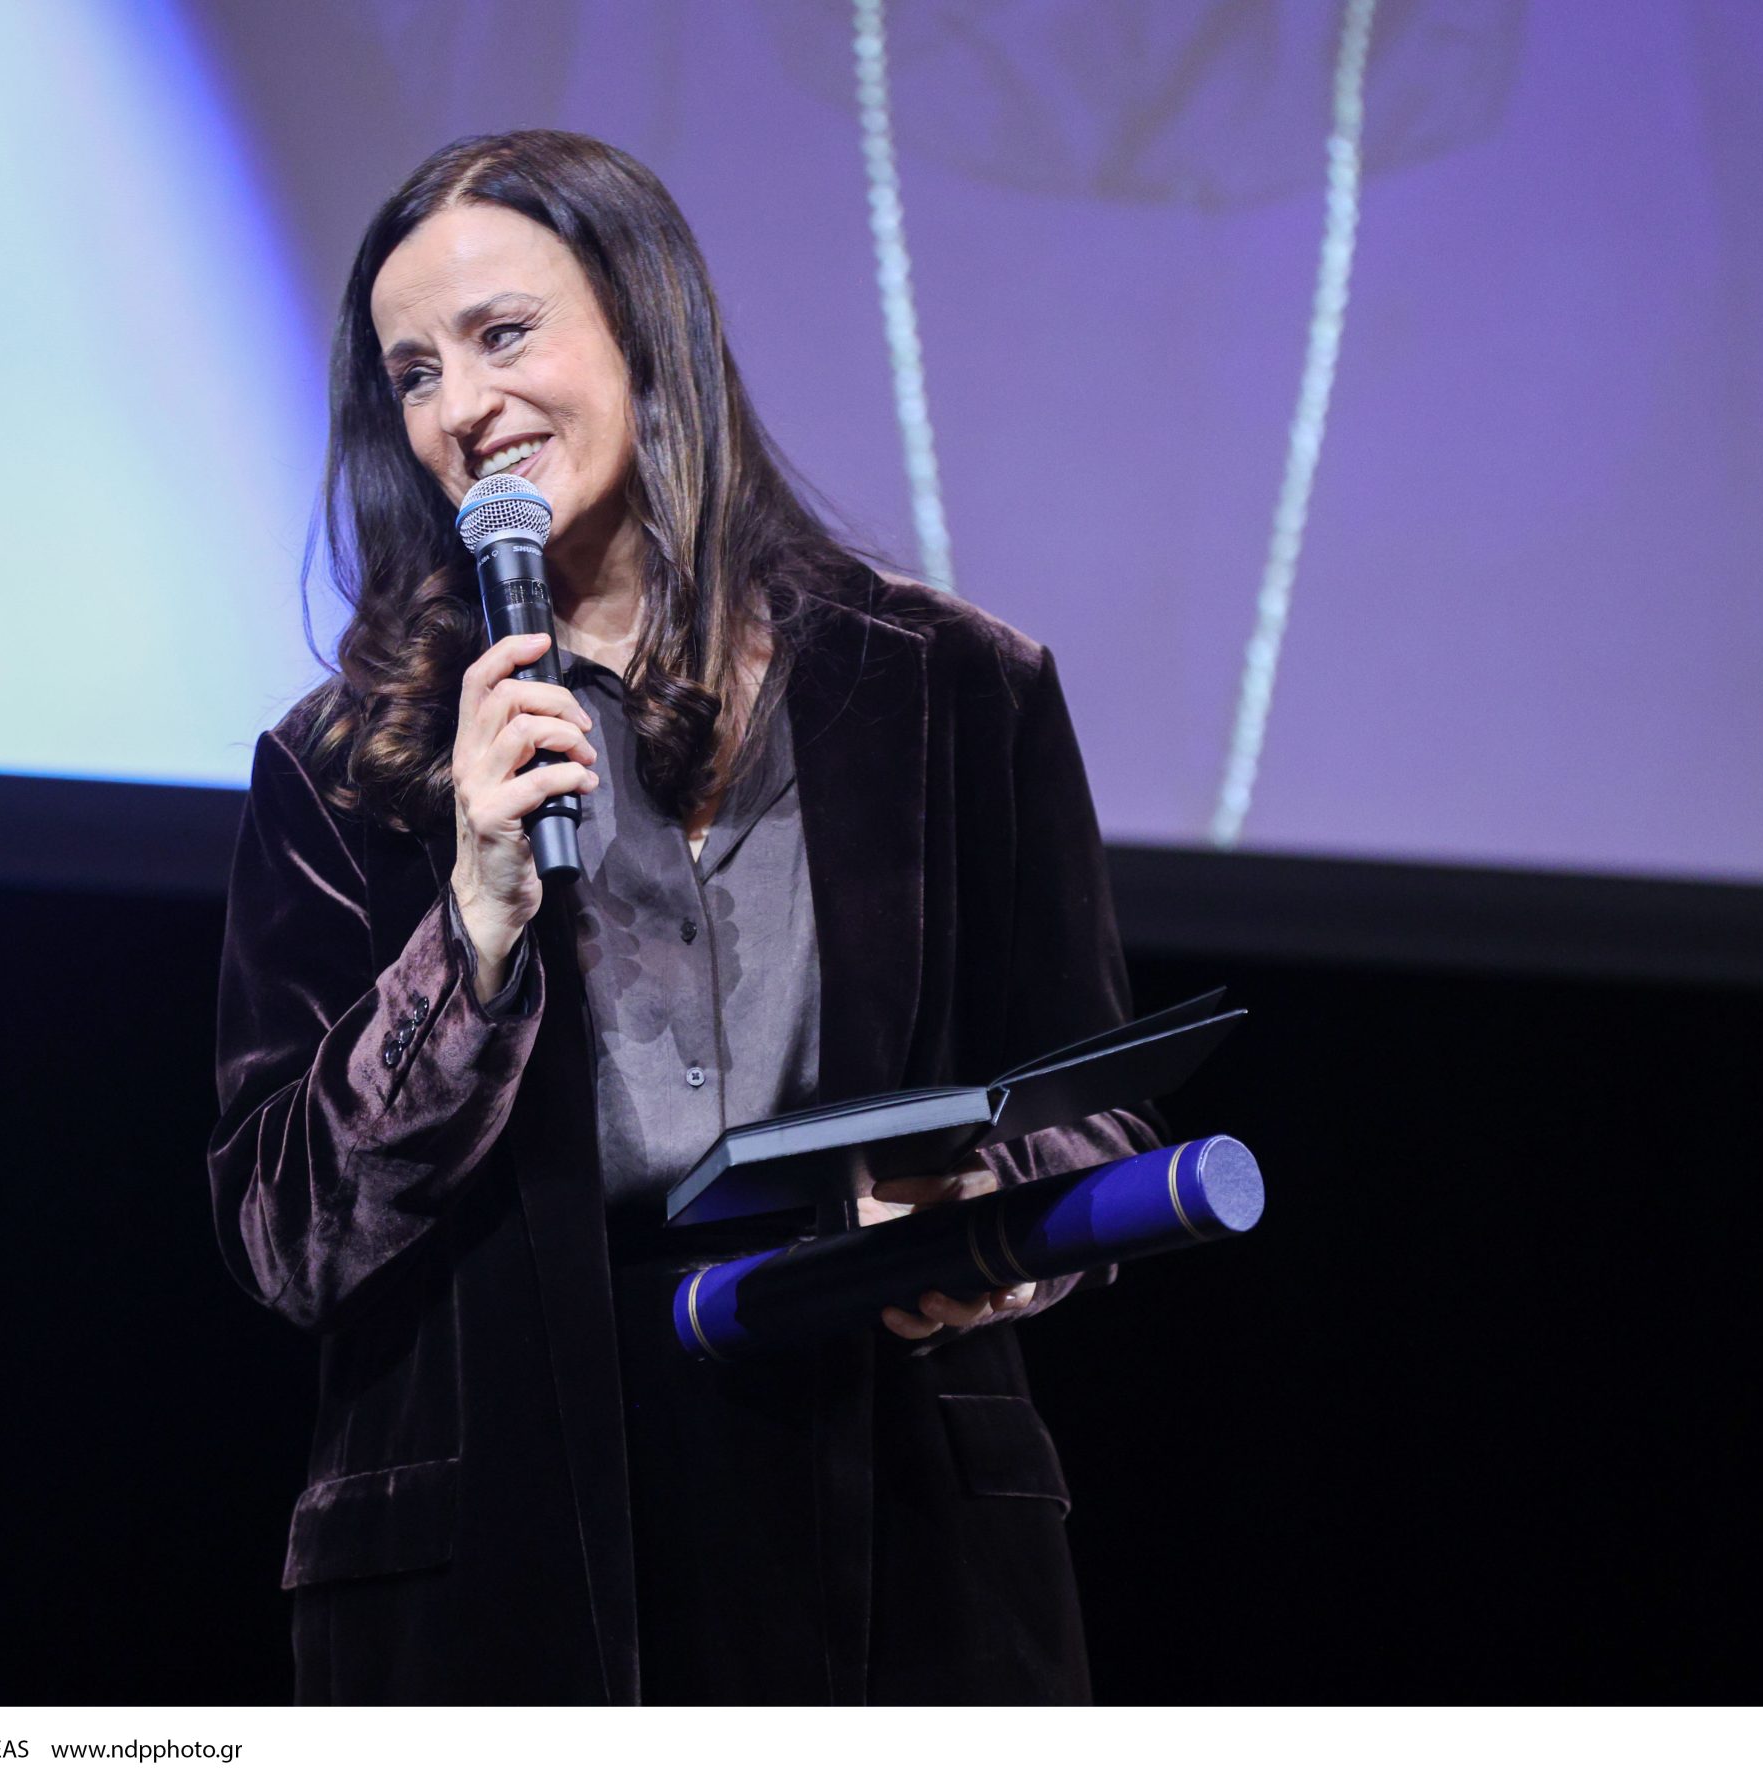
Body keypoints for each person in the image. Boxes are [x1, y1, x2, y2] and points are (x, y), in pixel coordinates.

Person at [207, 129, 1156, 1705]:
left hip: (899, 1523)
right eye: (414, 374)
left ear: (648, 328)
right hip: (504, 1559)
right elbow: (282, 1232)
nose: (462, 407)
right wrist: (473, 924)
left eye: (504, 335)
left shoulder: (954, 691)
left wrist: (977, 1221)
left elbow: (1094, 1109)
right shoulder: (348, 767)